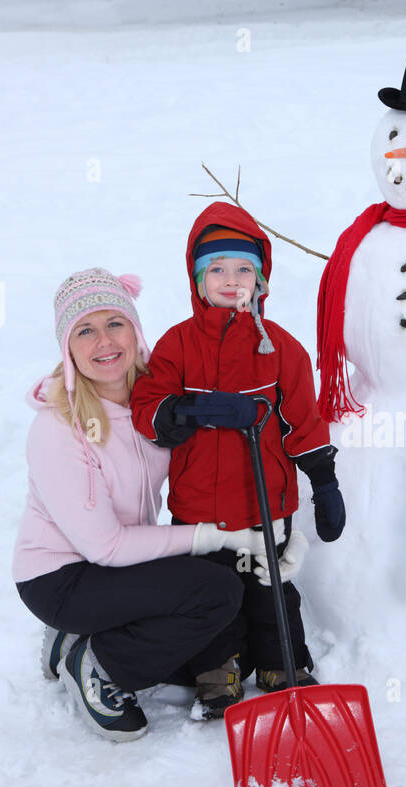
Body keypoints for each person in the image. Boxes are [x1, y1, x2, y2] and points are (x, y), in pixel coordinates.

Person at [14, 267, 276, 741]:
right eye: (85, 331)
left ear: (135, 329)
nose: (104, 342)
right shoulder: (59, 428)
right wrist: (213, 536)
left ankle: (81, 638)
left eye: (115, 323)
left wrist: (266, 518)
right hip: (61, 578)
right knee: (214, 594)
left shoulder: (155, 401)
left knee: (227, 647)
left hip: (122, 563)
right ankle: (97, 664)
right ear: (68, 348)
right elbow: (104, 546)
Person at [131, 204, 345, 713]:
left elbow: (304, 423)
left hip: (267, 501)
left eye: (244, 269)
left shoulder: (282, 350)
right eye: (218, 270)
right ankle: (216, 674)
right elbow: (148, 409)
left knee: (271, 587)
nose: (231, 281)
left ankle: (283, 663)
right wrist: (192, 409)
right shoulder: (178, 344)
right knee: (213, 593)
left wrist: (326, 482)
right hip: (200, 509)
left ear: (261, 279)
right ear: (198, 278)